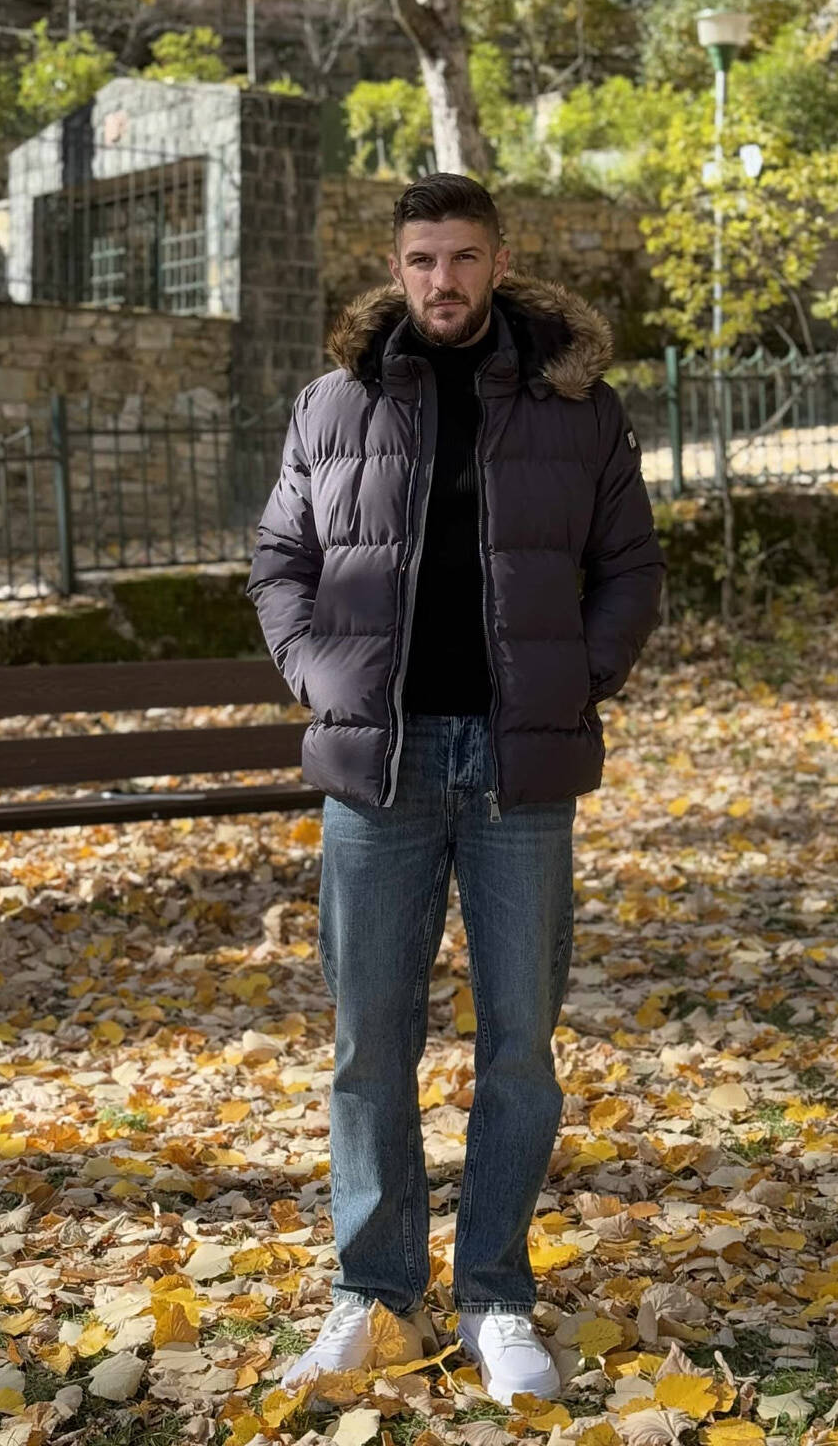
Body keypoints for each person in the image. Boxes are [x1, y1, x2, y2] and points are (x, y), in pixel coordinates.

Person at [246, 172, 663, 1404]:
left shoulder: (578, 408)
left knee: (519, 1045)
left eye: (465, 257)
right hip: (377, 767)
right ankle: (375, 1295)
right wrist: (318, 674)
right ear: (397, 268)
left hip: (515, 767)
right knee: (369, 1042)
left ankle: (495, 1298)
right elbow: (280, 559)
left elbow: (630, 567)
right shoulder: (334, 403)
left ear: (498, 262)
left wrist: (576, 679)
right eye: (423, 259)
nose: (444, 280)